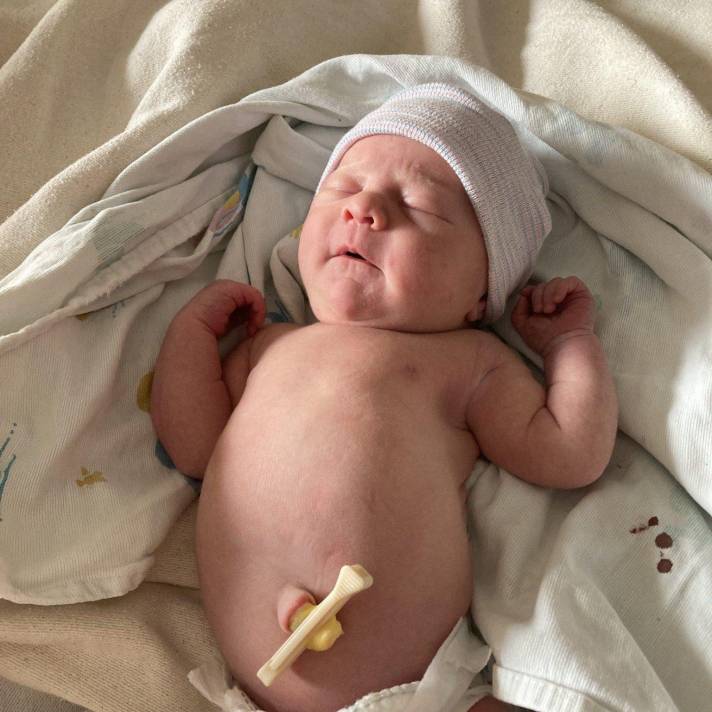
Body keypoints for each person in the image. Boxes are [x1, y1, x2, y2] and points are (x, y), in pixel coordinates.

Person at [150, 84, 618, 712]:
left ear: (482, 292)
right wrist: (190, 336)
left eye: (419, 206)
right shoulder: (270, 348)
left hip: (418, 696)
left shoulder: (468, 363)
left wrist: (569, 345)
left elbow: (571, 454)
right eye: (344, 187)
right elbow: (194, 447)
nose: (364, 208)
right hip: (248, 694)